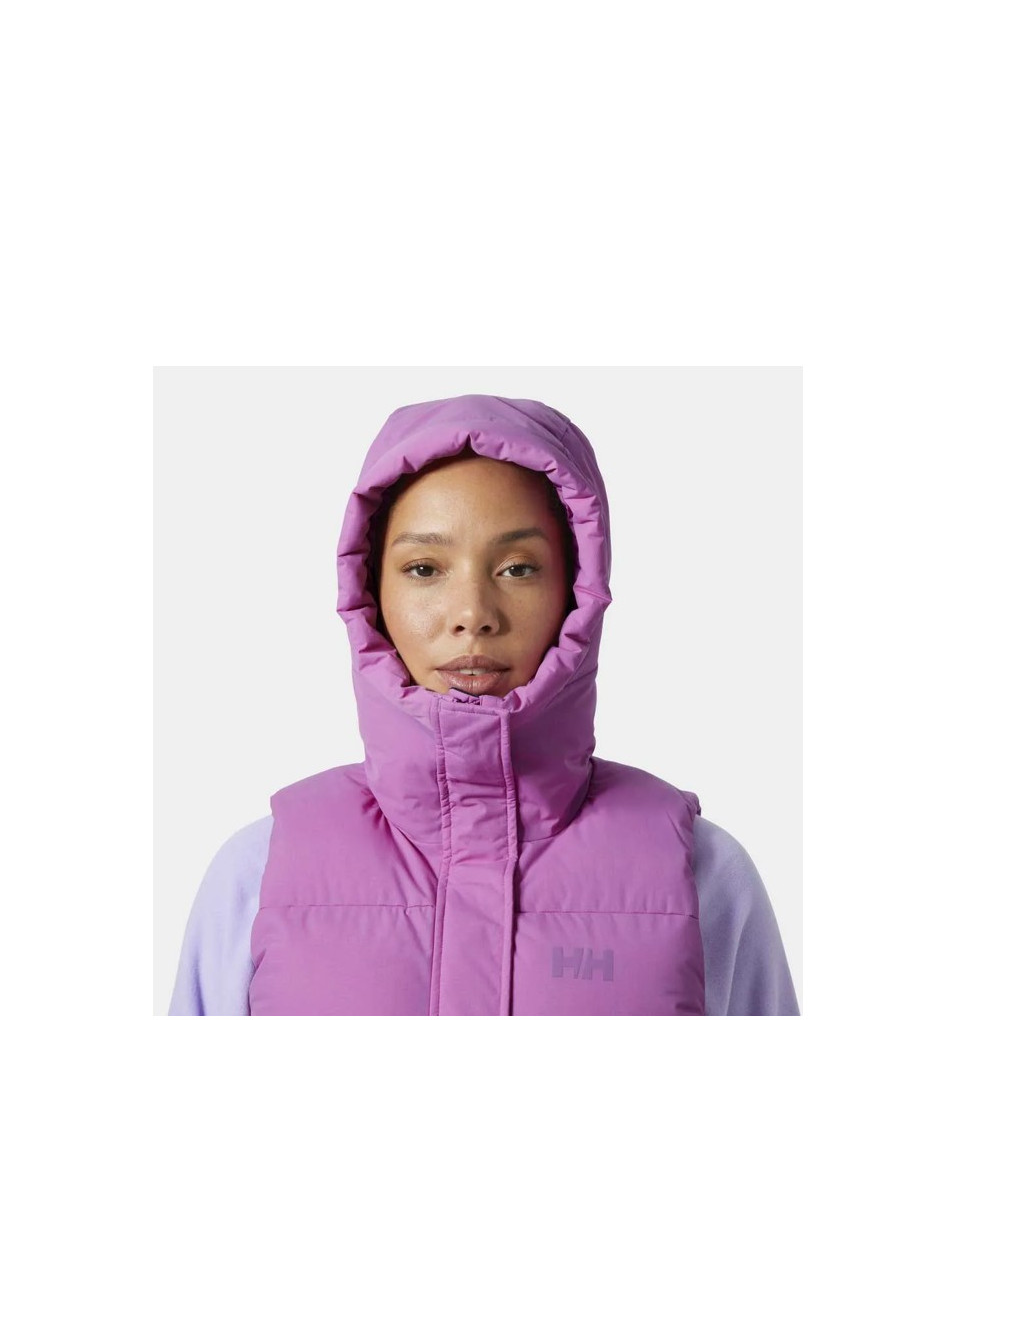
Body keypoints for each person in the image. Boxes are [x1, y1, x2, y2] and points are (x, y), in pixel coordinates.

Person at [168, 393, 799, 1015]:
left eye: (518, 568)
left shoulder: (700, 875)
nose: (472, 614)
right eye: (424, 568)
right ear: (370, 591)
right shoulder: (259, 873)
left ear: (578, 590)